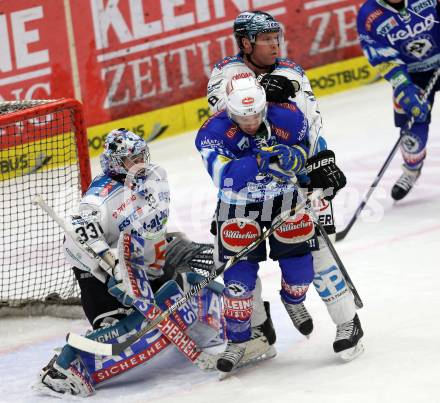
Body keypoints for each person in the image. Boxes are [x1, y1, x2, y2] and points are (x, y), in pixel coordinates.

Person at [207, 10, 364, 360]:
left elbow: (310, 123)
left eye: (275, 37)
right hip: (248, 187)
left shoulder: (292, 70)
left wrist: (320, 165)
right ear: (245, 43)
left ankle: (347, 322)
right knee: (241, 261)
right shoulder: (225, 73)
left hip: (297, 175)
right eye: (265, 39)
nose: (273, 44)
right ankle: (258, 332)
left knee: (319, 253)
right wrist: (265, 92)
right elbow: (228, 112)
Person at [32, 129, 235, 397]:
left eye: (142, 155)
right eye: (132, 159)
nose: (140, 162)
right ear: (115, 162)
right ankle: (59, 369)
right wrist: (110, 267)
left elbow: (152, 220)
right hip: (100, 274)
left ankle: (223, 319)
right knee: (124, 331)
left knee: (179, 295)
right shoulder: (97, 199)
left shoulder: (154, 175)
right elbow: (79, 237)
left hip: (144, 262)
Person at [196, 75, 349, 374]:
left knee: (301, 271)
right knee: (238, 283)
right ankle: (238, 341)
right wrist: (261, 161)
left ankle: (293, 300)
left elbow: (306, 153)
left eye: (255, 114)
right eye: (243, 116)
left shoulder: (288, 117)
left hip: (285, 202)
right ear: (230, 111)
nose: (250, 121)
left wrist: (295, 158)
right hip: (237, 209)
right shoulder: (212, 132)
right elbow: (226, 178)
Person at [357, 0, 440, 200]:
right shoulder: (368, 16)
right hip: (411, 77)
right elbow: (382, 58)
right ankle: (412, 170)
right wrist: (404, 87)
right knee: (412, 126)